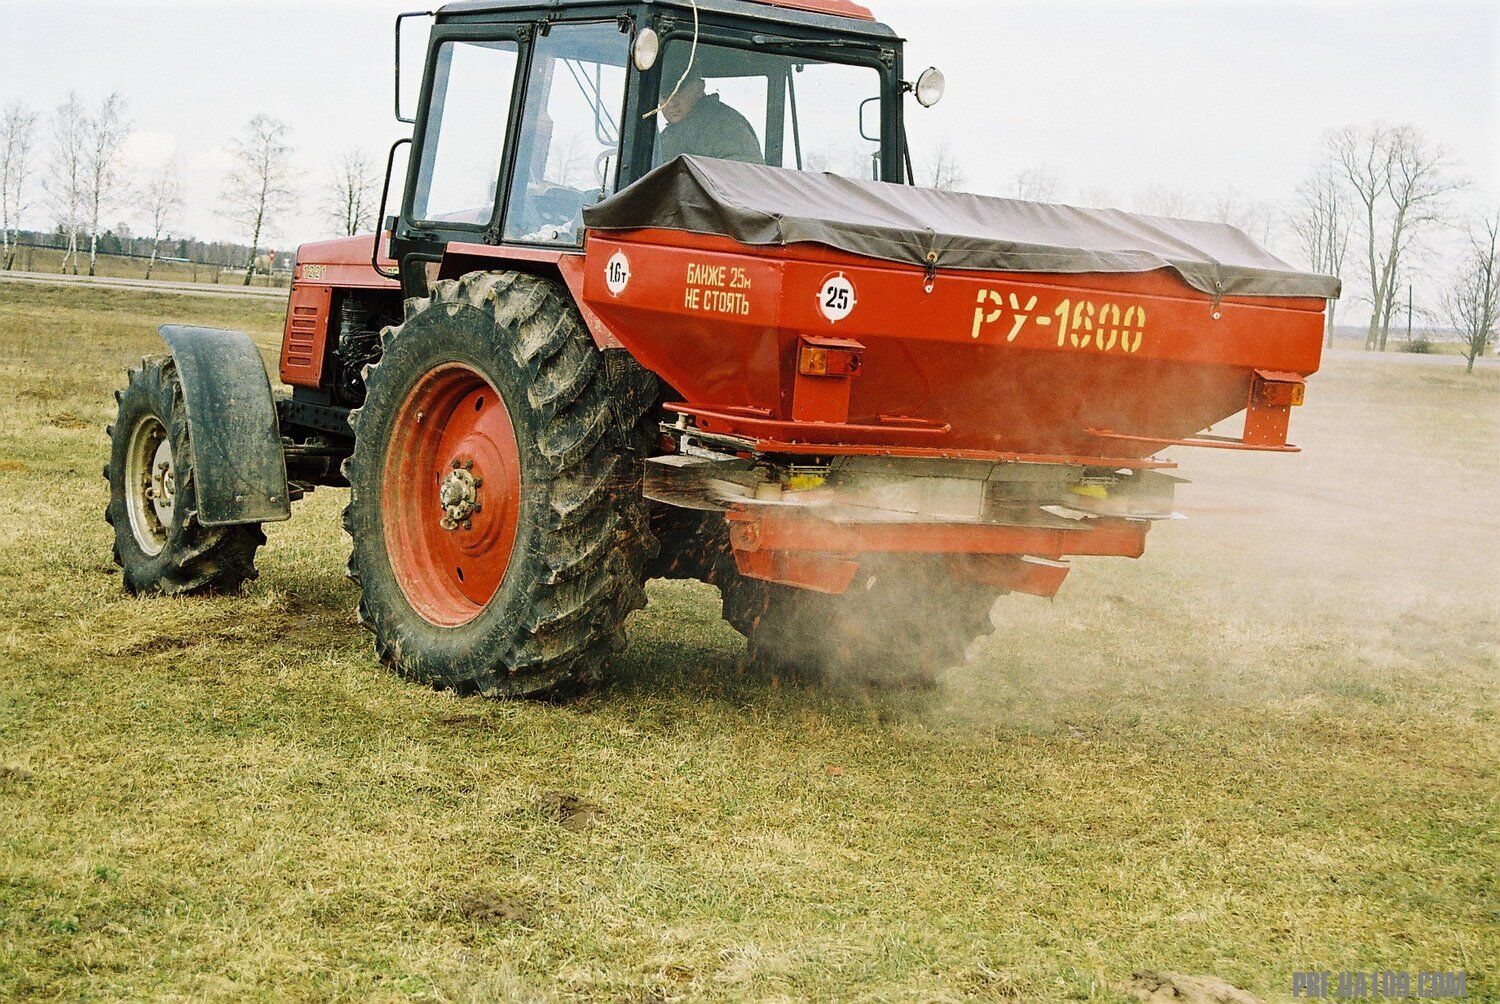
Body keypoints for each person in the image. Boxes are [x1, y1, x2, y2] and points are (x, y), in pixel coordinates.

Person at [654, 71, 765, 167]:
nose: (672, 103)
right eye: (664, 96)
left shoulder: (723, 125)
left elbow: (747, 176)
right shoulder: (666, 135)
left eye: (679, 91)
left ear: (699, 87)